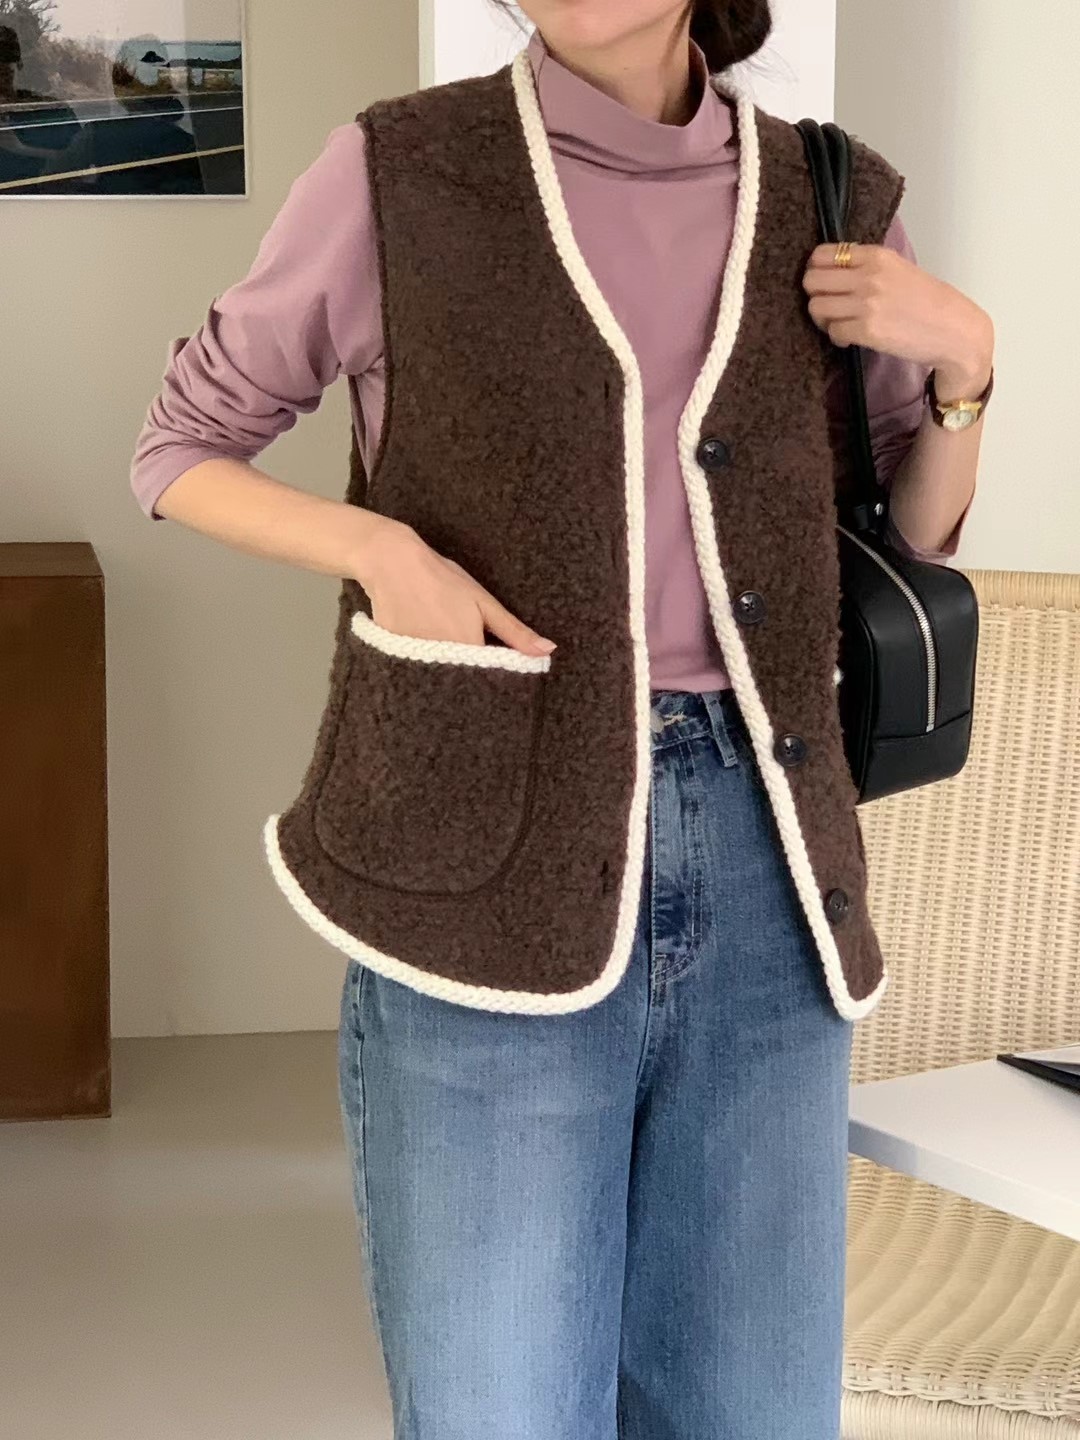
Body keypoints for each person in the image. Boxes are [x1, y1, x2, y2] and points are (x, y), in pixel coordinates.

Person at [129, 2, 993, 1435]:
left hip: (772, 865)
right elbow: (179, 446)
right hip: (481, 851)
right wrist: (385, 553)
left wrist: (965, 364)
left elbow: (911, 528)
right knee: (504, 1408)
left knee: (751, 1410)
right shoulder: (398, 173)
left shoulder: (835, 194)